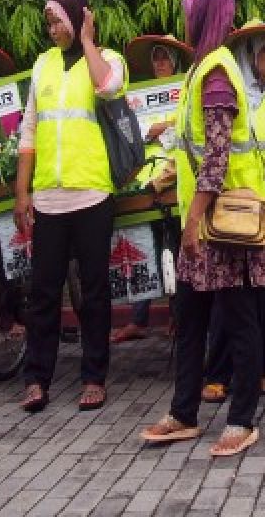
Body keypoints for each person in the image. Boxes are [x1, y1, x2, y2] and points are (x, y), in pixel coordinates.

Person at [140, 0, 265, 457]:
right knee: (191, 315)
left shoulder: (215, 72)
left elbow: (217, 158)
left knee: (237, 319)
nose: (185, 19)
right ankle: (183, 412)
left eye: (189, 11)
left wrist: (194, 220)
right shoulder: (202, 68)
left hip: (224, 223)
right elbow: (195, 147)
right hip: (201, 218)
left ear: (205, 17)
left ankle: (241, 420)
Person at [16, 0, 128, 413]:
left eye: (58, 20)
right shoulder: (42, 65)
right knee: (43, 293)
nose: (51, 30)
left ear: (78, 17)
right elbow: (29, 132)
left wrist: (86, 41)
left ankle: (95, 377)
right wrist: (23, 191)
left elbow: (110, 87)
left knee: (95, 292)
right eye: (49, 23)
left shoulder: (108, 58)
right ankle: (36, 380)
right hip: (48, 198)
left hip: (92, 193)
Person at [199, 22, 265, 400]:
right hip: (232, 205)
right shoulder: (233, 89)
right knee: (227, 291)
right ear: (250, 52)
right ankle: (217, 371)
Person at [112, 37, 191, 344]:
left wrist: (165, 126)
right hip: (146, 177)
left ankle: (178, 314)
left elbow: (185, 124)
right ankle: (139, 318)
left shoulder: (185, 87)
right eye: (156, 58)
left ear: (175, 62)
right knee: (147, 244)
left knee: (176, 244)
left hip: (175, 176)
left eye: (165, 58)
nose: (160, 63)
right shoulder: (140, 96)